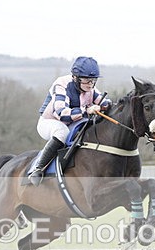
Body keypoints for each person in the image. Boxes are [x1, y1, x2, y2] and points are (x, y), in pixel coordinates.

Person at [27, 56, 112, 186]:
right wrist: (86, 111)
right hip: (50, 122)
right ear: (75, 78)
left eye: (93, 80)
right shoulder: (62, 84)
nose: (91, 84)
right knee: (62, 132)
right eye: (87, 80)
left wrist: (105, 106)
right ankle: (38, 169)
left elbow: (106, 103)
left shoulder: (89, 88)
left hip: (72, 124)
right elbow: (61, 113)